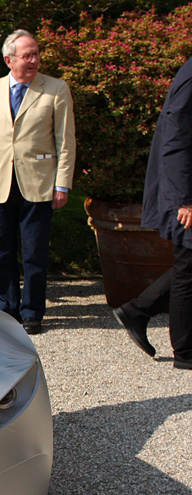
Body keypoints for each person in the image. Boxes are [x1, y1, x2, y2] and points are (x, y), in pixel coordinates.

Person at [0, 29, 75, 336]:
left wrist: (62, 184)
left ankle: (32, 311)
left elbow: (65, 140)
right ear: (9, 60)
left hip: (39, 182)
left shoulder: (56, 89)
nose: (34, 60)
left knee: (34, 251)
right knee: (2, 250)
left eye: (36, 54)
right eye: (27, 55)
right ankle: (7, 306)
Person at [113, 55, 192, 369]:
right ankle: (186, 353)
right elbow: (176, 141)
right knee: (188, 266)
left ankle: (136, 310)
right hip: (186, 194)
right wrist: (184, 200)